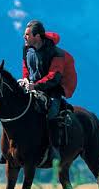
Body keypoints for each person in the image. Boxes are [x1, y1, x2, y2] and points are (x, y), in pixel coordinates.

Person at [20, 20, 68, 161]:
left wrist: (36, 86)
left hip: (52, 91)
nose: (24, 37)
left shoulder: (56, 53)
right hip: (31, 88)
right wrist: (26, 80)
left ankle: (54, 149)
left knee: (52, 113)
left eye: (27, 34)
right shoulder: (26, 49)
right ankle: (9, 150)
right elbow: (25, 68)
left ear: (38, 36)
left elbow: (55, 76)